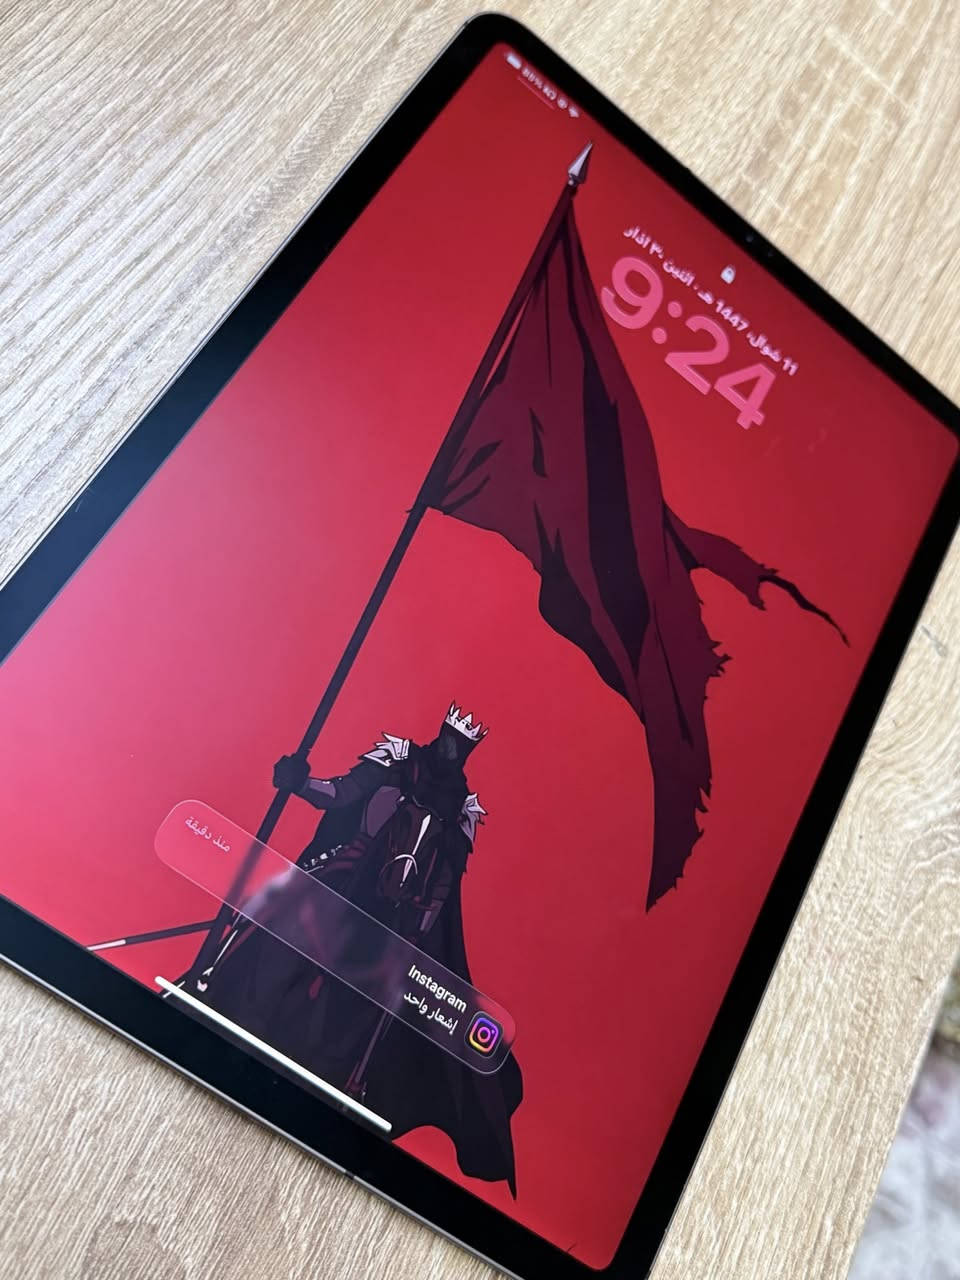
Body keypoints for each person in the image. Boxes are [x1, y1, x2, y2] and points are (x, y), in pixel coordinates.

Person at [197, 704, 522, 1194]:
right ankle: (215, 971)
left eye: (463, 745)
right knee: (282, 897)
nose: (453, 749)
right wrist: (299, 782)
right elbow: (339, 794)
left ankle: (357, 1073)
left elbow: (445, 884)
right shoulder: (398, 758)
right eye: (451, 738)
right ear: (441, 733)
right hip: (348, 867)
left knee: (400, 992)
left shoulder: (464, 810)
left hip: (400, 910)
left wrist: (422, 928)